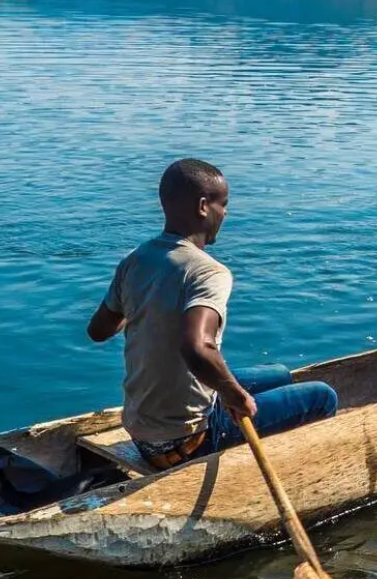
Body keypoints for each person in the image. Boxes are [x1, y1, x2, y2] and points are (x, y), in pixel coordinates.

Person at [87, 158, 337, 470]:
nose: (226, 213)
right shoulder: (208, 272)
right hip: (187, 438)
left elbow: (99, 330)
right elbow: (196, 348)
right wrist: (236, 397)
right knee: (323, 396)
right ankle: (303, 469)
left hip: (141, 427)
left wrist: (145, 303)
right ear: (204, 206)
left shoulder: (136, 260)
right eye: (224, 204)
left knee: (279, 373)